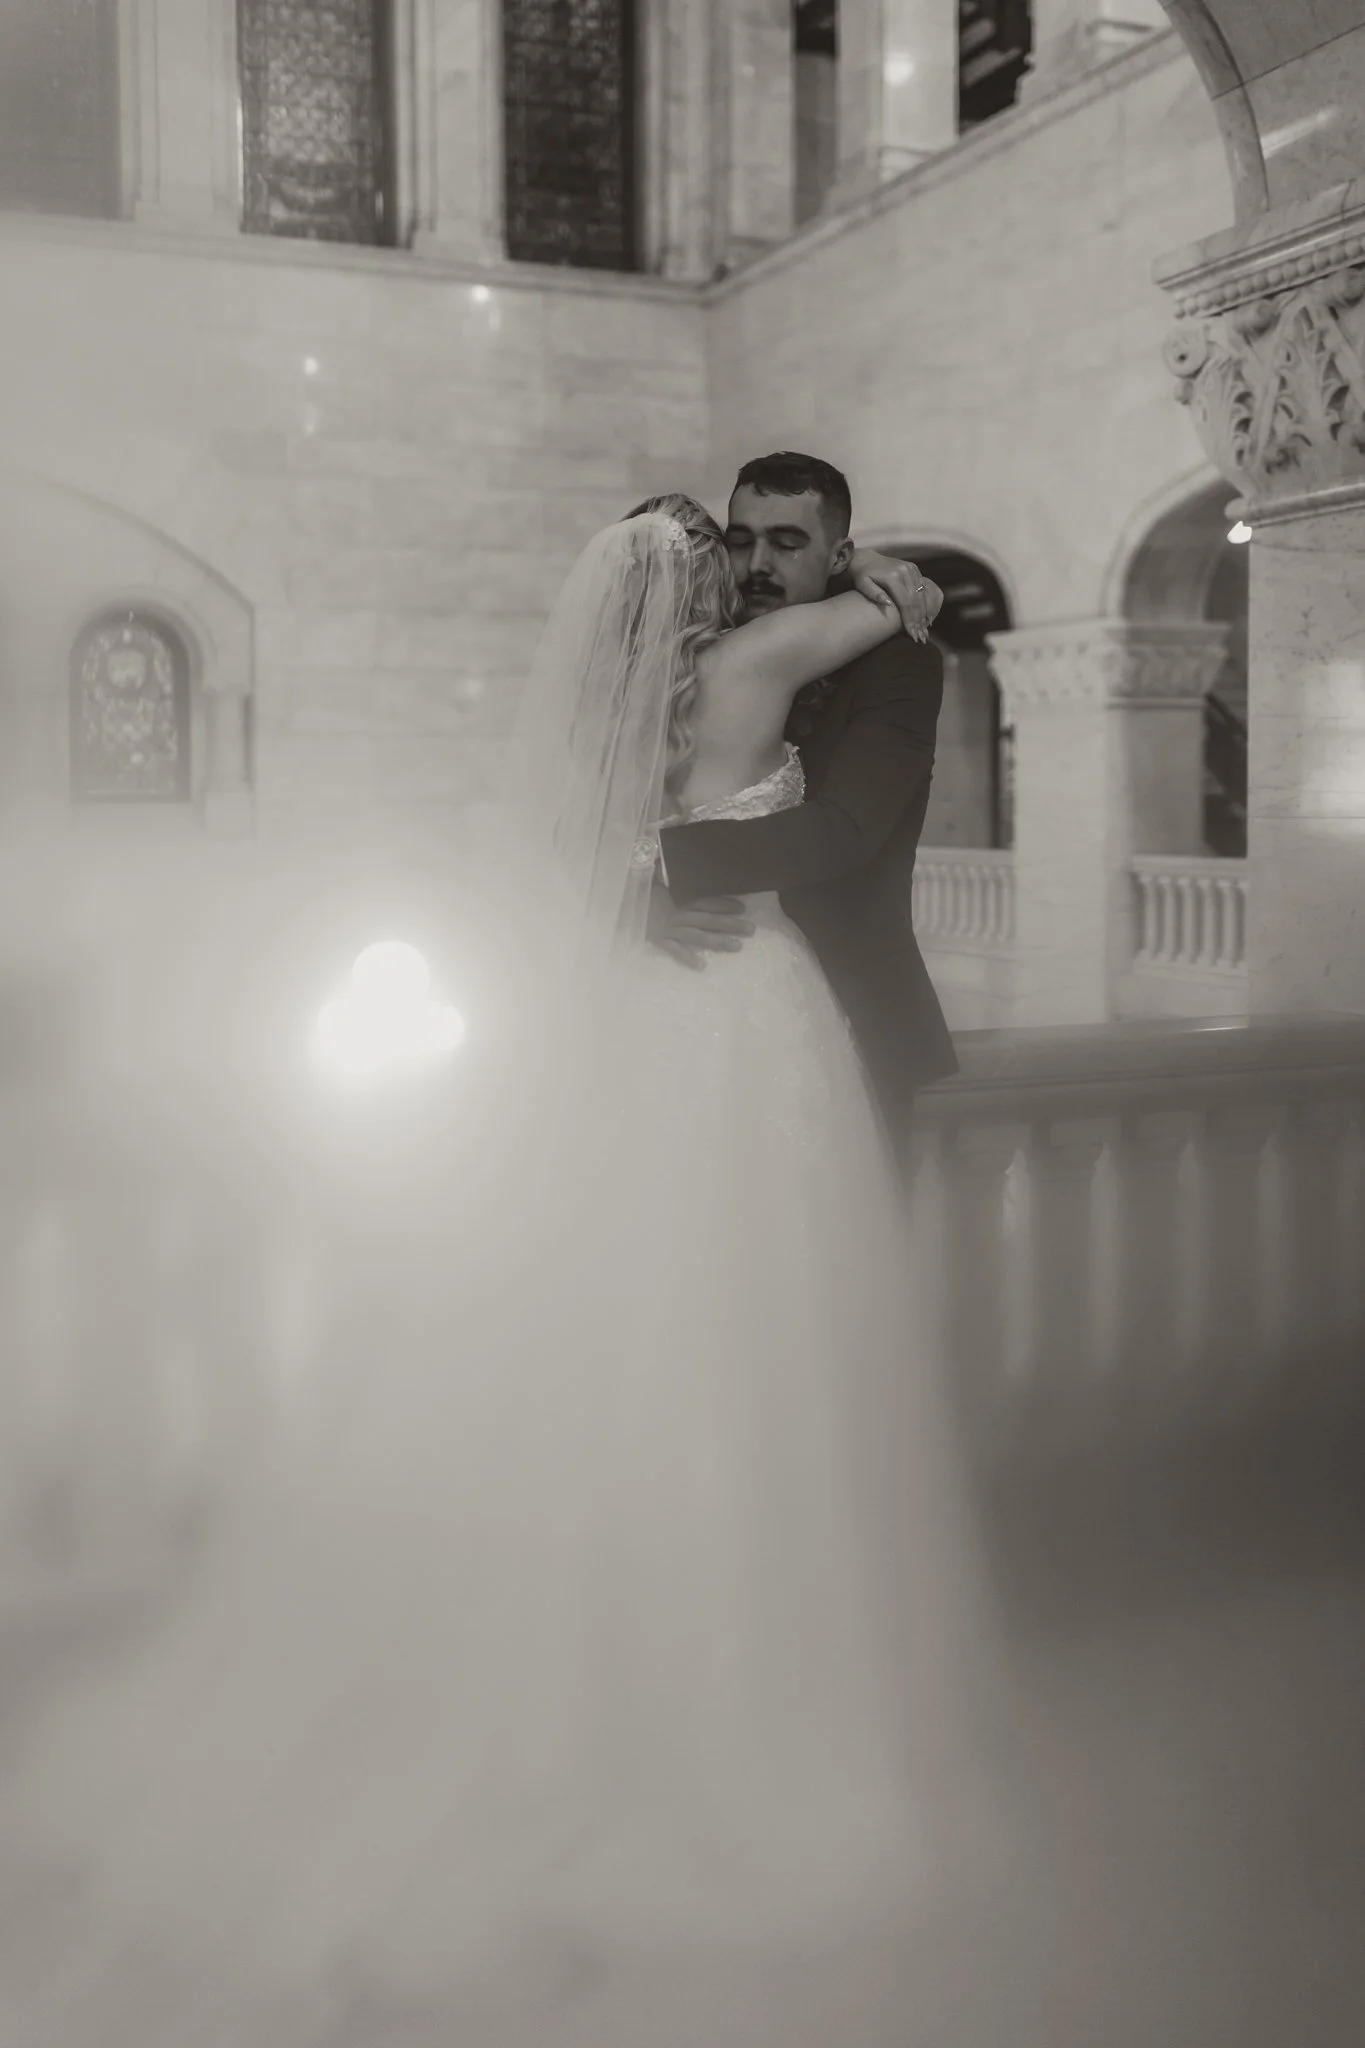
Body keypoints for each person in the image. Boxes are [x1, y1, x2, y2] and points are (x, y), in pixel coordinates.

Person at [0, 502, 1018, 2047]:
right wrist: (881, 579)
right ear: (704, 583)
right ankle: (721, 1692)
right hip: (739, 1013)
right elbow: (923, 596)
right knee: (748, 1330)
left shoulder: (620, 710)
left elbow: (563, 850)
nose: (752, 567)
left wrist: (638, 875)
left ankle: (592, 1669)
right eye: (729, 549)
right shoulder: (756, 664)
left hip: (631, 1011)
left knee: (632, 1322)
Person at [645, 452, 958, 1174]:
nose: (757, 563)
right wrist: (626, 901)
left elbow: (843, 831)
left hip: (853, 1022)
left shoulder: (897, 661)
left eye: (787, 543)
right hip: (689, 1001)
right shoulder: (690, 652)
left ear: (839, 556)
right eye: (740, 538)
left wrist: (660, 867)